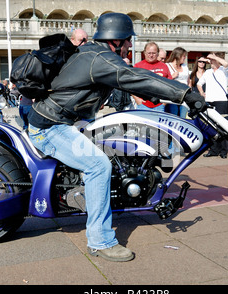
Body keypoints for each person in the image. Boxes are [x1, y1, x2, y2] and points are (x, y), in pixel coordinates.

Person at [27, 13, 205, 262]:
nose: (131, 46)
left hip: (66, 120)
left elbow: (121, 80)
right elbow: (133, 75)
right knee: (98, 165)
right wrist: (184, 93)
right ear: (116, 39)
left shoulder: (94, 53)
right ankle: (100, 241)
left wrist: (152, 95)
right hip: (50, 126)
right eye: (128, 41)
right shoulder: (100, 57)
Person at [197, 52, 228, 158]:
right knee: (211, 126)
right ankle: (214, 150)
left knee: (222, 126)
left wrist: (214, 57)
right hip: (209, 100)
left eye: (212, 59)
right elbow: (199, 84)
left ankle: (223, 151)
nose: (210, 61)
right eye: (209, 59)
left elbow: (225, 64)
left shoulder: (223, 70)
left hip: (221, 100)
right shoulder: (207, 72)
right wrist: (202, 92)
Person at [132, 41, 172, 112]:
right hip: (143, 105)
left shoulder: (164, 66)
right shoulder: (137, 66)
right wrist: (137, 99)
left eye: (153, 53)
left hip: (159, 105)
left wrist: (164, 103)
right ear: (144, 53)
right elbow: (130, 84)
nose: (151, 55)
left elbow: (170, 85)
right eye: (149, 53)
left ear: (157, 54)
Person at [165, 47, 190, 118]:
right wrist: (172, 76)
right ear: (178, 56)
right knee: (173, 115)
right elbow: (164, 80)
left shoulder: (185, 66)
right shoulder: (167, 66)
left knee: (183, 116)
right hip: (173, 96)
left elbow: (188, 80)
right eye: (183, 56)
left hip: (184, 96)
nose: (184, 58)